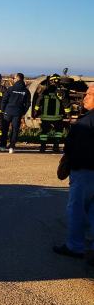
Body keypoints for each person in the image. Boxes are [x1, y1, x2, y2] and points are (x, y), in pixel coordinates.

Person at [53, 84, 94, 262]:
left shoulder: (87, 122)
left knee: (76, 209)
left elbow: (76, 147)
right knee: (92, 211)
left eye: (89, 94)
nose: (84, 97)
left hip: (84, 172)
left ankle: (75, 246)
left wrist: (70, 162)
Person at [33, 74, 72, 153]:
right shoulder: (61, 92)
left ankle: (42, 147)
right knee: (58, 132)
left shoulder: (45, 91)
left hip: (45, 117)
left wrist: (35, 112)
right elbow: (66, 104)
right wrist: (68, 115)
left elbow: (38, 101)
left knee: (44, 132)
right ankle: (56, 147)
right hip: (57, 117)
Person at [1, 73, 31, 153]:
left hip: (8, 111)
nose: (13, 79)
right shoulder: (26, 91)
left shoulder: (11, 89)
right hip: (18, 112)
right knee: (15, 130)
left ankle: (3, 146)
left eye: (14, 78)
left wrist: (3, 110)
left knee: (5, 129)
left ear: (17, 79)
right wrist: (23, 112)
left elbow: (4, 100)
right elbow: (28, 104)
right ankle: (11, 147)